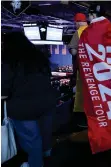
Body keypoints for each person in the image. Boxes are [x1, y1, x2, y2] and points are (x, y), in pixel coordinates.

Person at [1, 32, 56, 167]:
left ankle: (36, 164)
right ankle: (47, 159)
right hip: (47, 103)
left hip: (24, 108)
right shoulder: (39, 57)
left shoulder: (10, 61)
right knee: (45, 136)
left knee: (32, 140)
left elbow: (3, 92)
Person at [68, 13, 88, 128]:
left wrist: (70, 48)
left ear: (77, 22)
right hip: (97, 71)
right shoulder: (95, 31)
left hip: (83, 70)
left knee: (82, 95)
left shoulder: (79, 32)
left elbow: (74, 52)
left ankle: (83, 122)